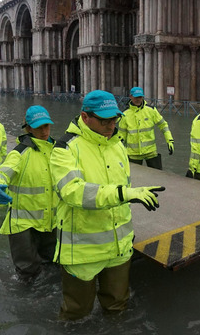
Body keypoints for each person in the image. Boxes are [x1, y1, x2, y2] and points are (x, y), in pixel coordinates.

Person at [50, 89, 165, 321]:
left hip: (119, 247)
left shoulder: (118, 145)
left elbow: (123, 187)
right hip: (82, 251)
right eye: (104, 120)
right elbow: (73, 192)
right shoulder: (65, 148)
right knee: (77, 313)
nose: (111, 125)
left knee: (117, 307)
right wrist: (124, 194)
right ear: (85, 117)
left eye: (114, 119)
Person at [0, 106, 58, 282]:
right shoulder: (19, 153)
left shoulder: (58, 151)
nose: (44, 131)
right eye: (38, 127)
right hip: (23, 226)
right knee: (27, 272)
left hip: (50, 221)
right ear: (28, 129)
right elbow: (3, 171)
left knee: (53, 264)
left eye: (46, 126)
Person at [118, 86, 174, 170]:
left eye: (140, 97)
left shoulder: (151, 110)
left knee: (158, 177)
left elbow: (163, 125)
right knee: (134, 180)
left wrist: (169, 140)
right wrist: (119, 151)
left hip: (151, 152)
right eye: (135, 97)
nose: (138, 99)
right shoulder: (125, 114)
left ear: (143, 97)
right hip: (133, 154)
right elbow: (121, 136)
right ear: (130, 97)